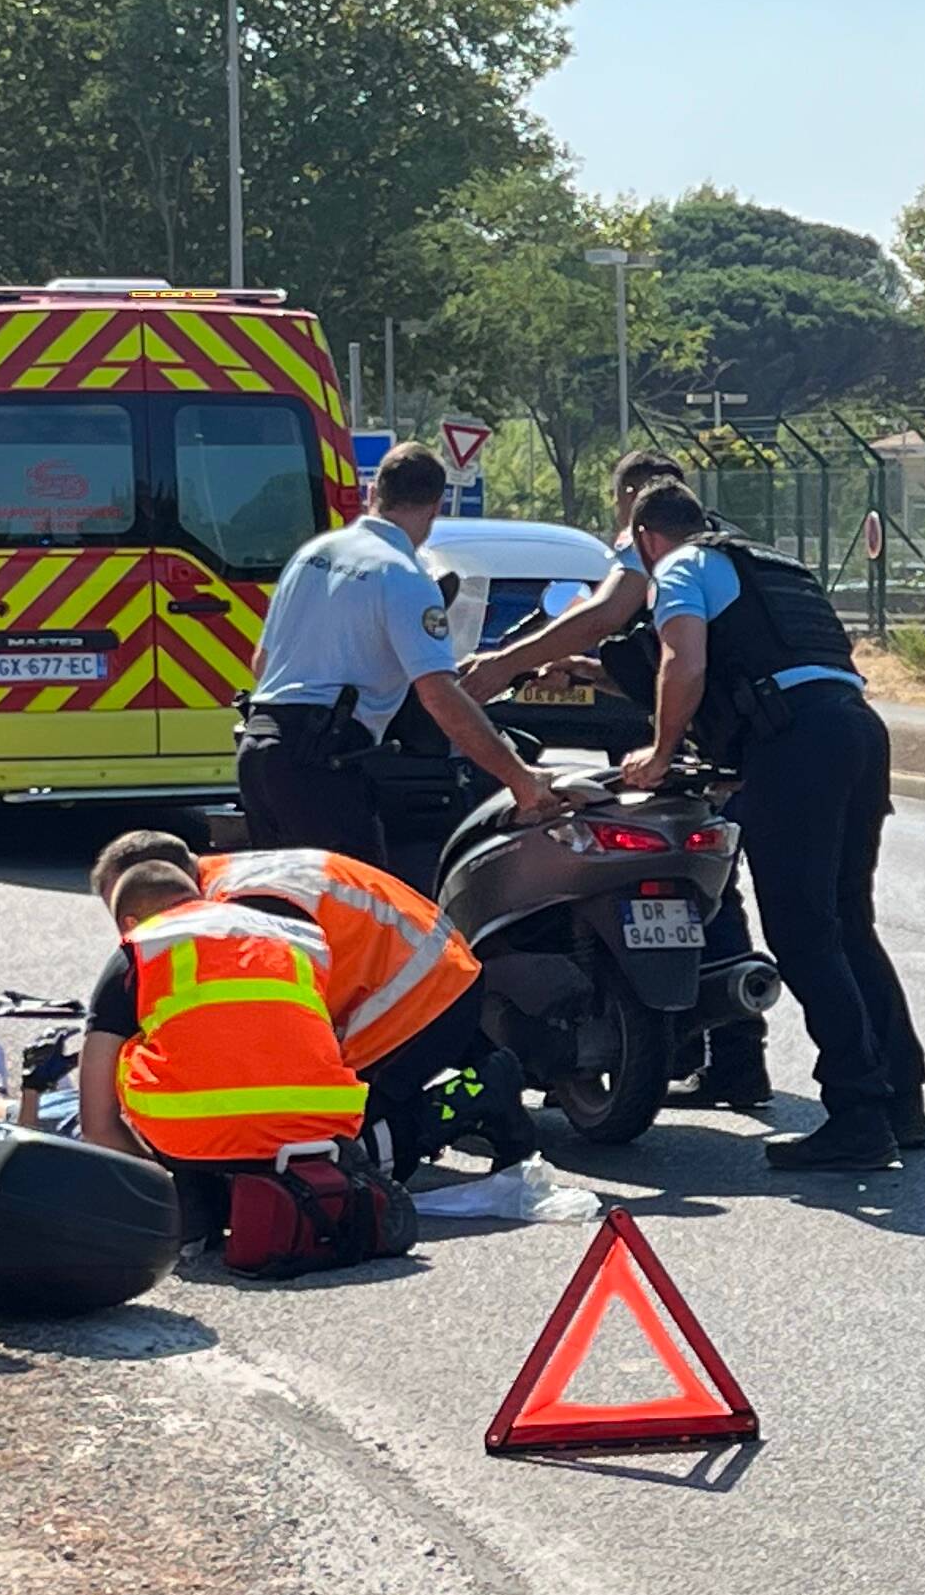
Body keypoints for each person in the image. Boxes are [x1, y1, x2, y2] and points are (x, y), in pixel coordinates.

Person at [613, 480, 925, 1171]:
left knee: (802, 931)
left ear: (646, 539)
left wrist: (660, 752)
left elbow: (683, 661)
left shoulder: (677, 567)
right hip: (856, 730)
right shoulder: (770, 566)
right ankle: (902, 1098)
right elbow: (777, 667)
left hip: (800, 742)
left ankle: (856, 1115)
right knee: (849, 922)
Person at [459, 447, 768, 1110]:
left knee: (610, 870)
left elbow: (605, 616)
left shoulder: (654, 547)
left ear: (635, 500)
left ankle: (644, 1034)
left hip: (667, 735)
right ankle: (737, 1054)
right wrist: (590, 671)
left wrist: (502, 664)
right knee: (709, 890)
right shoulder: (727, 544)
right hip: (723, 735)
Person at [88, 828, 536, 1169]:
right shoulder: (227, 885)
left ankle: (479, 1094)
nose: (132, 936)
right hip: (418, 982)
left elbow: (266, 1029)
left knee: (332, 1154)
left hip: (419, 1001)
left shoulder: (242, 911)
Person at [240, 442, 555, 868]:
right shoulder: (404, 575)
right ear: (434, 507)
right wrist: (520, 779)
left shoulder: (312, 554)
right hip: (321, 763)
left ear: (374, 491)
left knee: (284, 911)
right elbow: (439, 697)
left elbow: (263, 663)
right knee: (357, 913)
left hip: (259, 750)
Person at [75, 858, 377, 1227]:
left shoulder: (139, 948)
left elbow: (96, 1124)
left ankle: (194, 1189)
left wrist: (159, 1176)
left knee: (125, 1053)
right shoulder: (294, 936)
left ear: (130, 923)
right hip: (323, 1122)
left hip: (193, 1136)